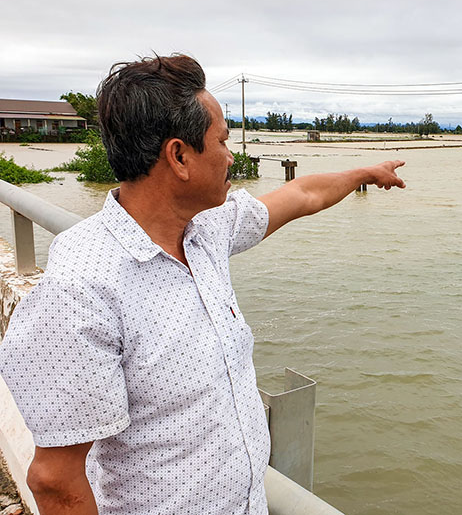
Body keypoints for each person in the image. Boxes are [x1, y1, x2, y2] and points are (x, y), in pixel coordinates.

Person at [0, 54, 405, 515]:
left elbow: (300, 194)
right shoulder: (82, 289)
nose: (232, 157)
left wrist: (364, 174)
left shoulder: (206, 229)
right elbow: (56, 480)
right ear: (179, 157)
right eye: (222, 142)